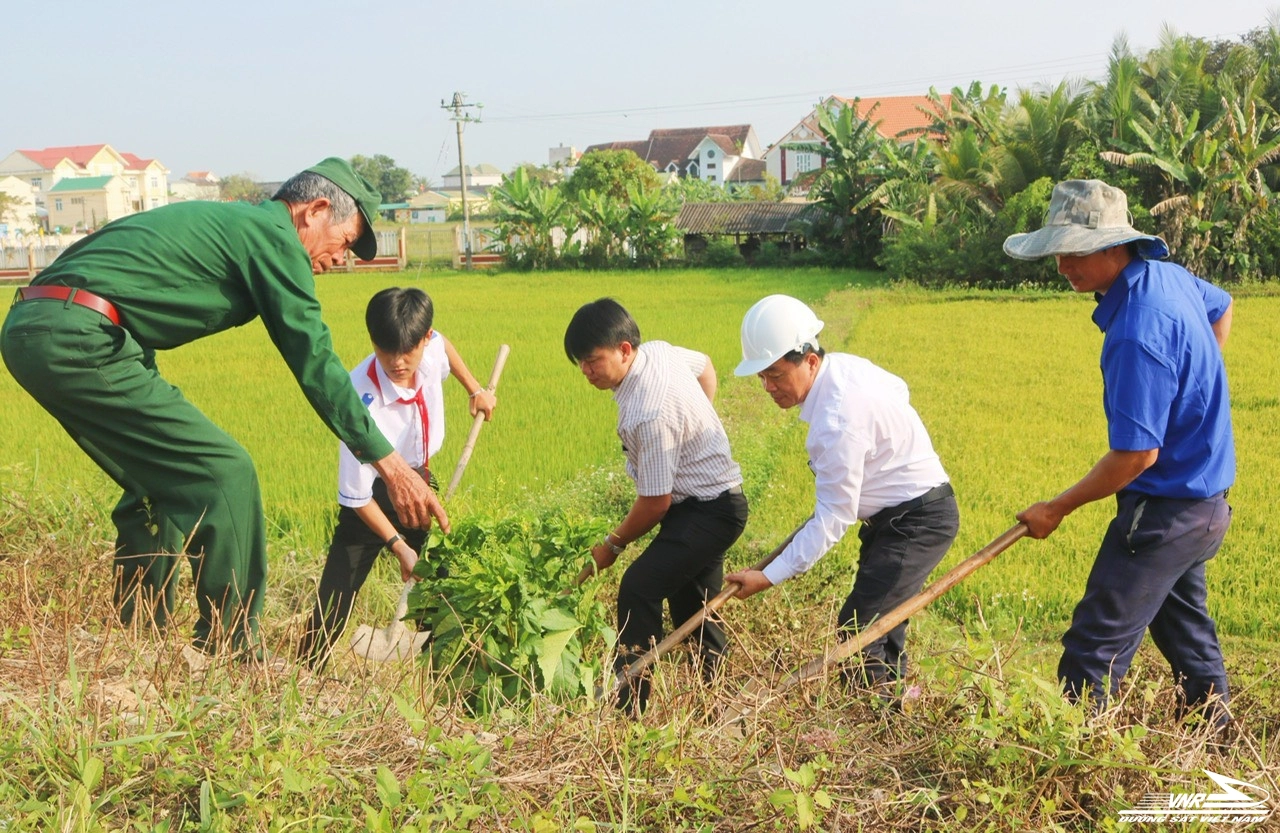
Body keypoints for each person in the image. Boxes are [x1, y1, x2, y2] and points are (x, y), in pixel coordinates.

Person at [1, 158, 448, 658]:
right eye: (343, 241)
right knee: (225, 471)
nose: (341, 258)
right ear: (315, 210)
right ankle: (233, 649)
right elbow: (315, 360)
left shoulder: (237, 225)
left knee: (164, 480)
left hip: (43, 325)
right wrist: (390, 465)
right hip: (79, 333)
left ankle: (136, 634)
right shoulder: (274, 238)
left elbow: (119, 278)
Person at [1005, 179, 1234, 727]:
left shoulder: (1137, 330)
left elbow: (1135, 458)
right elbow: (1222, 308)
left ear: (1113, 246)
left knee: (1091, 653)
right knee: (1185, 634)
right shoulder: (1169, 278)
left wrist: (1054, 508)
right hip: (1206, 506)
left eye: (1072, 252)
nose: (1062, 265)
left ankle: (1075, 773)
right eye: (1057, 252)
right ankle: (1218, 737)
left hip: (1162, 516)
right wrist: (1195, 385)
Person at [726, 295, 958, 693]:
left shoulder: (835, 421)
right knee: (884, 619)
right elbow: (898, 390)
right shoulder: (845, 368)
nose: (768, 386)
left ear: (810, 361)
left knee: (861, 625)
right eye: (762, 376)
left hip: (918, 521)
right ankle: (892, 709)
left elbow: (833, 517)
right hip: (892, 517)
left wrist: (768, 576)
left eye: (776, 375)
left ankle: (872, 719)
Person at [564, 298, 748, 713]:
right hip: (713, 504)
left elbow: (654, 503)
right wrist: (699, 421)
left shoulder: (647, 411)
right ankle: (715, 701)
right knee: (693, 607)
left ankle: (630, 708)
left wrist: (610, 547)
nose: (586, 372)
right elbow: (705, 366)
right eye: (581, 363)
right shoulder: (659, 352)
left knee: (639, 586)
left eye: (593, 361)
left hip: (708, 511)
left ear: (625, 350)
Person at [298, 287, 496, 669]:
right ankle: (306, 672)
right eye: (386, 350)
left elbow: (445, 347)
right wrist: (397, 545)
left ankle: (440, 665)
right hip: (371, 496)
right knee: (338, 590)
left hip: (420, 479)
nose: (398, 362)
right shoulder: (358, 400)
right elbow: (355, 498)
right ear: (373, 340)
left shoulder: (430, 348)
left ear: (424, 338)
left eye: (408, 350)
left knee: (440, 574)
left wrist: (475, 389)